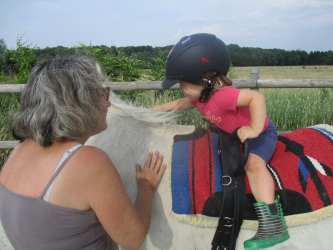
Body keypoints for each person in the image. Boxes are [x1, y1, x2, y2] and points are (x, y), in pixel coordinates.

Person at [0, 57, 166, 250]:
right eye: (102, 95)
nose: (108, 104)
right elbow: (133, 238)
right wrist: (146, 189)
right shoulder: (89, 162)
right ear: (79, 104)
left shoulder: (17, 151)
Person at [151, 33, 289, 249]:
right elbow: (181, 103)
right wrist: (155, 111)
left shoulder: (223, 96)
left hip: (261, 134)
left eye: (183, 84)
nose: (181, 89)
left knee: (253, 165)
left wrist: (254, 127)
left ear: (205, 81)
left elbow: (256, 98)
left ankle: (273, 224)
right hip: (234, 135)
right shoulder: (200, 98)